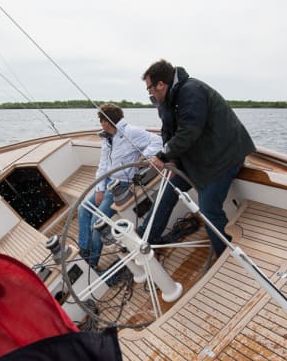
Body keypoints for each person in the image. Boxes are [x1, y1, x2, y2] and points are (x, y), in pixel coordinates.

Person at [142, 59, 256, 257]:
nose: (149, 92)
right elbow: (168, 132)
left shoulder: (191, 91)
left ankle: (226, 256)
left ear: (161, 84)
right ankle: (145, 243)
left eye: (149, 88)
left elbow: (189, 131)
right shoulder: (166, 101)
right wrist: (172, 161)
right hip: (197, 157)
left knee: (208, 208)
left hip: (223, 156)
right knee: (167, 192)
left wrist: (163, 155)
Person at [78, 103, 162, 269]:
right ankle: (84, 251)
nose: (100, 123)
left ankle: (91, 263)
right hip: (107, 183)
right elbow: (103, 165)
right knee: (83, 208)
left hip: (122, 184)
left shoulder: (131, 132)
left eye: (101, 120)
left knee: (97, 220)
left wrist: (143, 157)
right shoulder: (107, 139)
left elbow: (158, 140)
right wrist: (99, 189)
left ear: (106, 122)